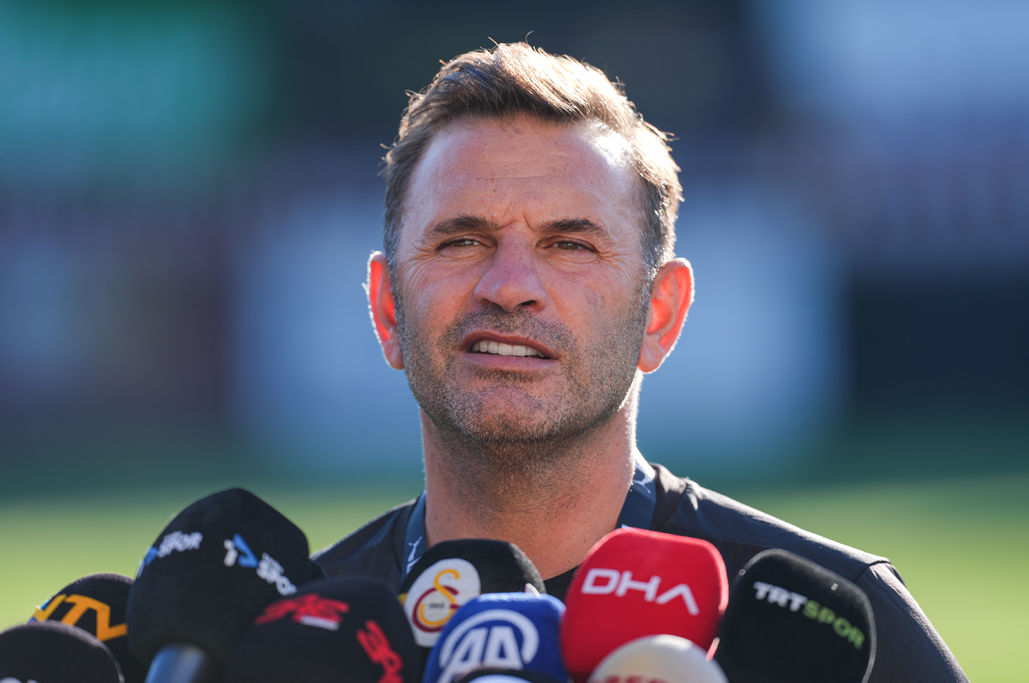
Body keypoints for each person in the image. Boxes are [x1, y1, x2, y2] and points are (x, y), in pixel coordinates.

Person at [314, 42, 967, 680]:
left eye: (570, 245)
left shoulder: (833, 635)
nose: (509, 286)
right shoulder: (297, 638)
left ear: (660, 314)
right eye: (462, 240)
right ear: (388, 308)